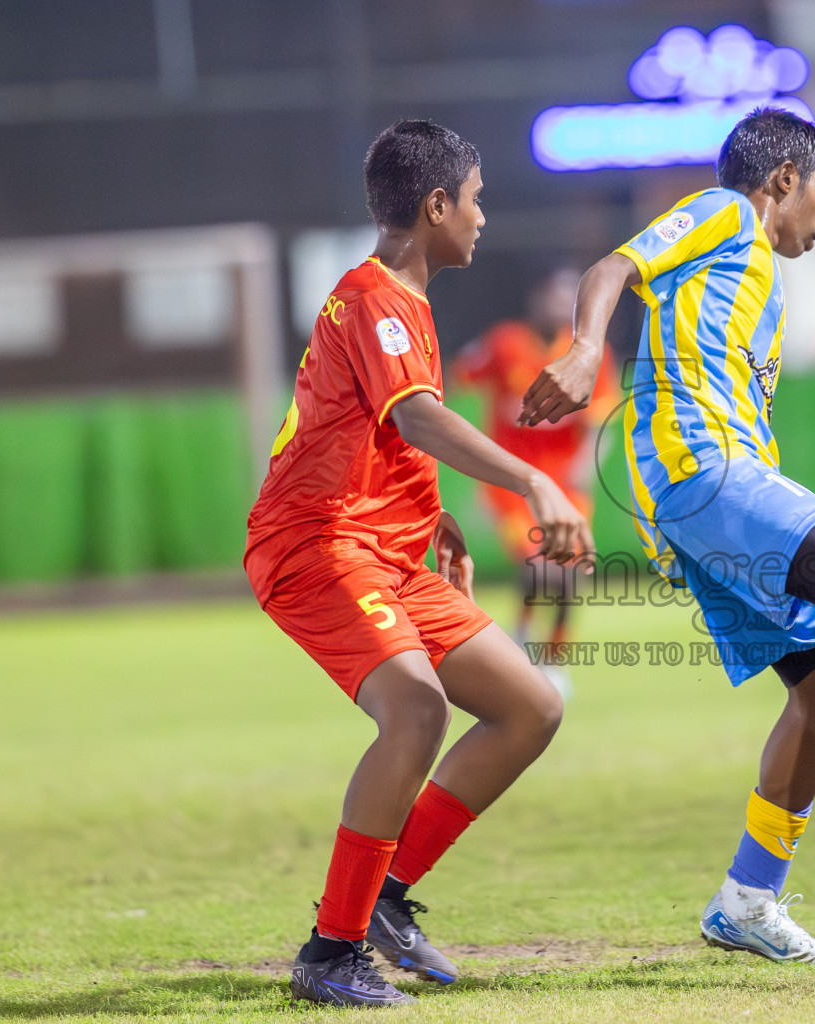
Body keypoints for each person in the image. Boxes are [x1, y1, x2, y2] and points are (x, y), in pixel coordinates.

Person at [519, 107, 815, 965]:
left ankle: (747, 900)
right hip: (700, 467)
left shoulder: (760, 292)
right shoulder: (723, 212)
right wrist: (585, 347)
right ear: (782, 178)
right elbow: (613, 266)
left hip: (702, 491)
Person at [244, 119, 593, 1007]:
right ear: (436, 206)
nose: (484, 215)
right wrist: (533, 484)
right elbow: (416, 418)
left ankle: (387, 899)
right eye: (475, 198)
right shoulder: (374, 297)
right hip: (317, 543)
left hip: (387, 550)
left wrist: (434, 515)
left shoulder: (405, 301)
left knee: (529, 707)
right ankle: (331, 951)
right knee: (416, 707)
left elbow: (366, 429)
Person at [452, 267, 620, 696]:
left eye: (570, 297)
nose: (561, 305)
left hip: (564, 486)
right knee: (538, 567)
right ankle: (524, 640)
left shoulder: (587, 354)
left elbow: (601, 422)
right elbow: (459, 375)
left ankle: (555, 661)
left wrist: (585, 469)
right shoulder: (505, 344)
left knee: (571, 572)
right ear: (536, 299)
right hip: (511, 486)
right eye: (554, 296)